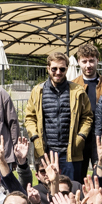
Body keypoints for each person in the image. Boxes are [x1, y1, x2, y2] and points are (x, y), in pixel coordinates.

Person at [22, 53, 93, 182]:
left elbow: (87, 116)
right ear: (48, 68)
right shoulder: (38, 91)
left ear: (67, 69)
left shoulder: (77, 91)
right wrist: (35, 137)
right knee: (47, 188)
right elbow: (30, 117)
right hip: (46, 151)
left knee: (70, 188)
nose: (58, 72)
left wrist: (81, 136)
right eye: (54, 69)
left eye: (62, 69)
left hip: (70, 152)